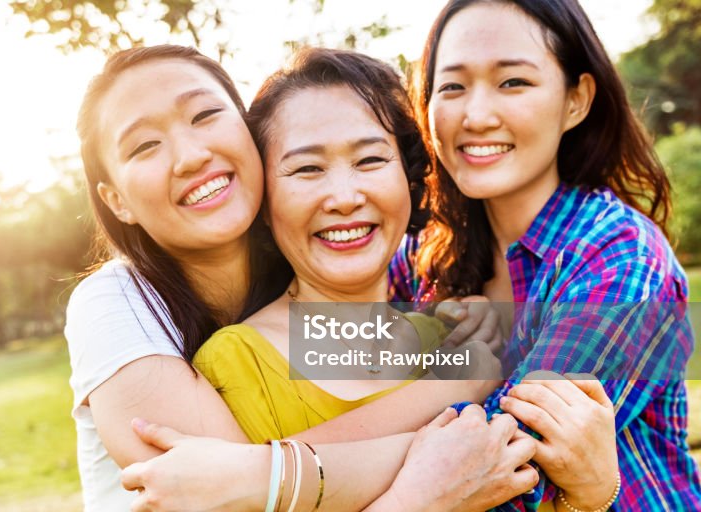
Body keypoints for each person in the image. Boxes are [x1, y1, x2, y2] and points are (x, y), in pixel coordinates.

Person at [116, 48, 617, 512]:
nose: (344, 196)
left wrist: (594, 491)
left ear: (410, 180)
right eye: (307, 169)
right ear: (265, 202)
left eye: (371, 160)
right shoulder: (235, 366)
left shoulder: (456, 339)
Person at [392, 0, 701, 509]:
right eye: (451, 86)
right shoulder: (418, 257)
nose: (475, 115)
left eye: (512, 82)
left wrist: (281, 472)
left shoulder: (620, 256)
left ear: (576, 100)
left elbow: (507, 474)